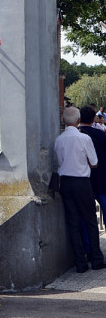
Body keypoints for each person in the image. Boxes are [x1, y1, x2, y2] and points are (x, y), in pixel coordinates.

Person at [54, 106, 106, 273]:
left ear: (64, 120)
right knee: (90, 220)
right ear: (77, 120)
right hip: (82, 182)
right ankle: (96, 259)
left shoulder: (59, 140)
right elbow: (94, 162)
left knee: (73, 222)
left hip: (65, 182)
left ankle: (80, 263)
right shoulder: (84, 139)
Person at [78, 106, 106, 214]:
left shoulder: (76, 134)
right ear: (93, 119)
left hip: (81, 178)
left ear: (79, 118)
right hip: (100, 177)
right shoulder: (100, 134)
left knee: (84, 213)